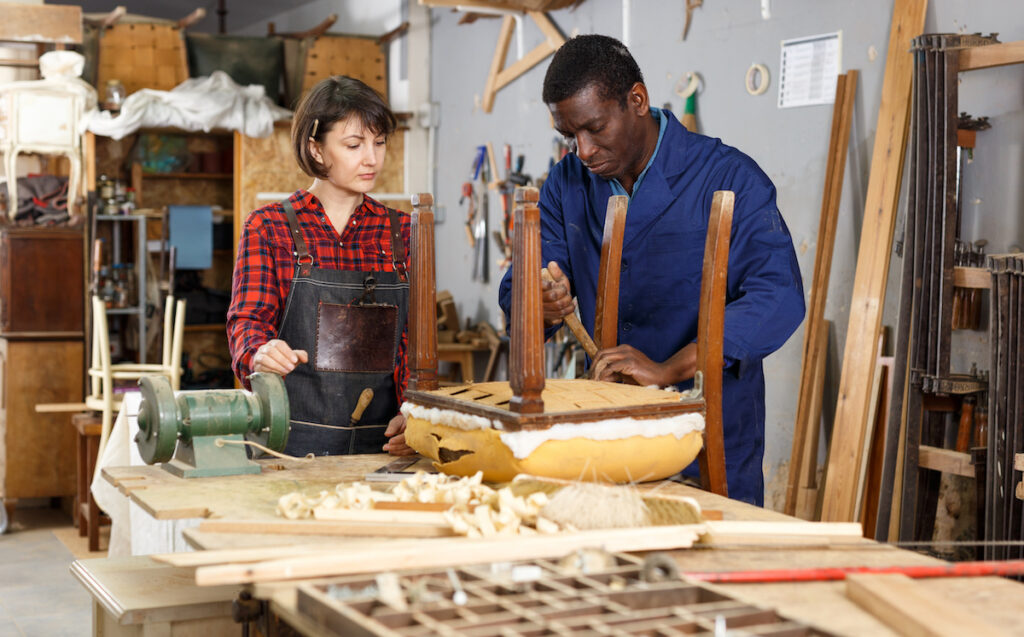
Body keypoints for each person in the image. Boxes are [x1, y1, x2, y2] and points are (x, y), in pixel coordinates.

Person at [497, 35, 805, 505]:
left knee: (712, 561)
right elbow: (529, 281)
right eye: (568, 136)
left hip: (708, 430)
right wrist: (540, 300)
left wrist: (668, 369)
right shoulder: (566, 184)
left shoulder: (729, 178)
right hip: (606, 425)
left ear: (636, 100)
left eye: (594, 128)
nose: (581, 150)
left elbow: (778, 297)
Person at [227, 76, 414, 457]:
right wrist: (259, 353)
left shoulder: (403, 232)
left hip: (382, 447)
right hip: (287, 445)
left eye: (379, 143)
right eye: (354, 144)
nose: (372, 159)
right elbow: (246, 323)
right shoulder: (269, 228)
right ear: (315, 149)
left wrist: (416, 410)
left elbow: (415, 343)